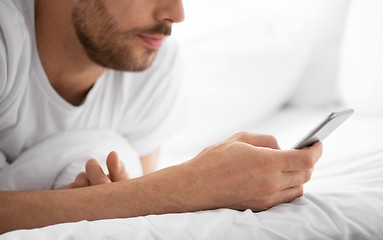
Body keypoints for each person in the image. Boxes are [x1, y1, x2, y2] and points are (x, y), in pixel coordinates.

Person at [0, 0, 323, 234]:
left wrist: (109, 196)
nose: (176, 14)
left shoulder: (154, 63)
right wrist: (192, 186)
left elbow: (128, 196)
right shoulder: (7, 39)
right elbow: (141, 197)